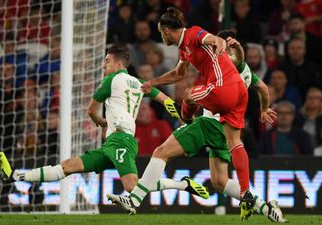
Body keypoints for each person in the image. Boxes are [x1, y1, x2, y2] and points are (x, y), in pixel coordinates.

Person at [107, 27, 286, 222]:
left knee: (161, 151)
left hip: (209, 124)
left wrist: (186, 114)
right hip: (227, 127)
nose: (212, 47)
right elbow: (261, 87)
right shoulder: (244, 70)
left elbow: (195, 84)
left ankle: (134, 199)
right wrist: (264, 108)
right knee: (219, 182)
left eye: (216, 44)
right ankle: (267, 207)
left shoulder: (225, 64)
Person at [0, 44, 209, 197]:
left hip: (121, 140)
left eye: (107, 61)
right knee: (69, 166)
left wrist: (99, 119)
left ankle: (182, 185)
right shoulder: (139, 82)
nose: (103, 66)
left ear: (118, 63)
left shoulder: (111, 79)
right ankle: (16, 175)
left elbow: (91, 110)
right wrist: (181, 116)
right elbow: (165, 100)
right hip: (112, 143)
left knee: (132, 187)